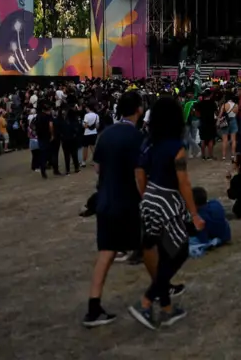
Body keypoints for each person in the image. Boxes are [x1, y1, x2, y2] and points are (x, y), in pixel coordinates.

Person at [129, 96, 203, 330]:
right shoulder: (176, 148)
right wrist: (194, 214)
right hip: (167, 202)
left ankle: (167, 309)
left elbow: (139, 174)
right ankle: (147, 300)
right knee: (179, 253)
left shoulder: (149, 143)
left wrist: (147, 197)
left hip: (149, 200)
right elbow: (184, 183)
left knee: (163, 256)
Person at [83, 91, 145, 328]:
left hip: (105, 201)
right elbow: (140, 173)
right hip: (127, 202)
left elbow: (97, 168)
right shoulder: (136, 136)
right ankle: (161, 292)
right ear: (138, 109)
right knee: (147, 244)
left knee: (107, 253)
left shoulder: (106, 134)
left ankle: (93, 307)